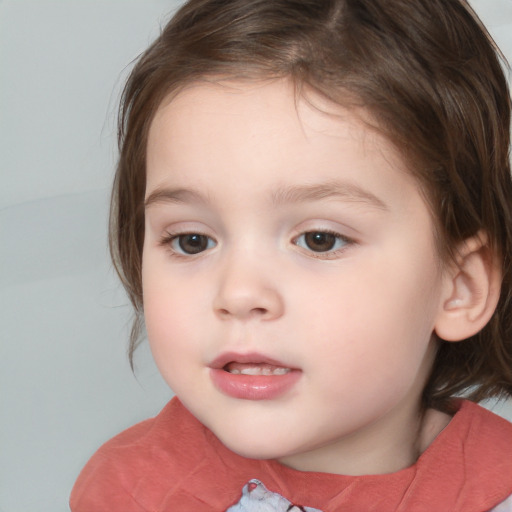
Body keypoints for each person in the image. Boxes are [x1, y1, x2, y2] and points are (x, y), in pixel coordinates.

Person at [69, 0, 512, 510]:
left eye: (319, 239)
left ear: (460, 286)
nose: (239, 293)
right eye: (193, 240)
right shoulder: (132, 492)